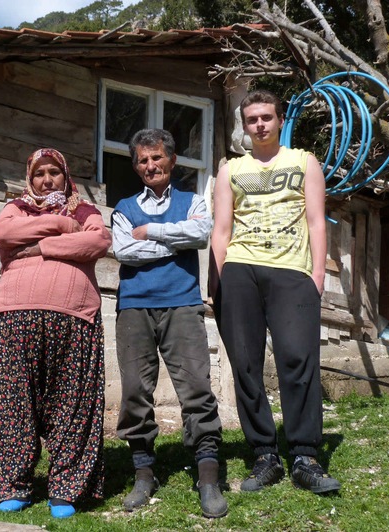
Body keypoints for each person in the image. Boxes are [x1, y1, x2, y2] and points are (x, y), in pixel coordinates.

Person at [209, 89, 341, 494]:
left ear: (280, 119)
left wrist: (318, 275)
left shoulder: (304, 162)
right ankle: (264, 453)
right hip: (240, 270)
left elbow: (318, 221)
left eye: (267, 117)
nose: (260, 124)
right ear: (244, 126)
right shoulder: (231, 169)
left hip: (292, 272)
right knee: (245, 363)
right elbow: (222, 230)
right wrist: (215, 283)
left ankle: (304, 454)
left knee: (298, 359)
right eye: (252, 119)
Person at [0, 148, 111, 519]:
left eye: (54, 172)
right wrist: (62, 227)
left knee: (73, 402)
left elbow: (98, 242)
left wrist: (39, 247)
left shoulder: (84, 209)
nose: (47, 180)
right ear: (30, 177)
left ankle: (67, 488)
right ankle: (12, 483)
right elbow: (6, 233)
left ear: (65, 176)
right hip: (13, 314)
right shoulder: (16, 207)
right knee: (12, 401)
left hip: (75, 315)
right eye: (40, 173)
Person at [111, 128, 228, 519]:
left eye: (156, 158)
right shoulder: (125, 207)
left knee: (196, 387)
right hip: (135, 307)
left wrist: (155, 232)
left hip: (182, 303)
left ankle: (208, 474)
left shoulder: (192, 200)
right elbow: (124, 250)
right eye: (142, 160)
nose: (150, 166)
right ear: (136, 165)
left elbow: (201, 232)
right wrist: (172, 242)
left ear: (171, 160)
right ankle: (143, 472)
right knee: (134, 392)